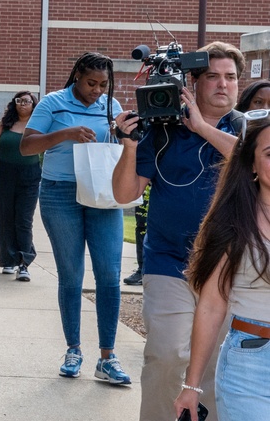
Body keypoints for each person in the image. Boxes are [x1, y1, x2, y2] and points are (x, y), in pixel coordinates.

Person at [113, 41, 243, 421]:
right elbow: (125, 194)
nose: (224, 85)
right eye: (213, 77)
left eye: (231, 77)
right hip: (169, 261)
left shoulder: (248, 129)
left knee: (219, 366)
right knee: (168, 355)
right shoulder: (163, 130)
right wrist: (127, 145)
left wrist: (203, 128)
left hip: (228, 266)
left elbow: (251, 159)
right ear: (193, 84)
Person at [19, 52, 131, 385]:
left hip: (102, 193)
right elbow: (27, 146)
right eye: (91, 83)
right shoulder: (53, 103)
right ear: (77, 76)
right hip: (60, 194)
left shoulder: (111, 105)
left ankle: (107, 357)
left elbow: (124, 145)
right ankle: (74, 350)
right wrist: (65, 134)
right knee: (71, 274)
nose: (97, 90)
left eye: (103, 84)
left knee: (109, 275)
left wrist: (121, 131)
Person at [173, 113, 270, 421]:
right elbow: (213, 305)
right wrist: (192, 384)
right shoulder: (233, 222)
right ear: (252, 164)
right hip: (250, 365)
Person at [0, 91, 41, 282]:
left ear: (34, 104)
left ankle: (24, 263)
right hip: (5, 173)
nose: (22, 104)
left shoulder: (38, 124)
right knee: (5, 217)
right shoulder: (4, 124)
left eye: (27, 101)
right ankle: (8, 260)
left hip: (30, 175)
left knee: (24, 219)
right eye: (19, 100)